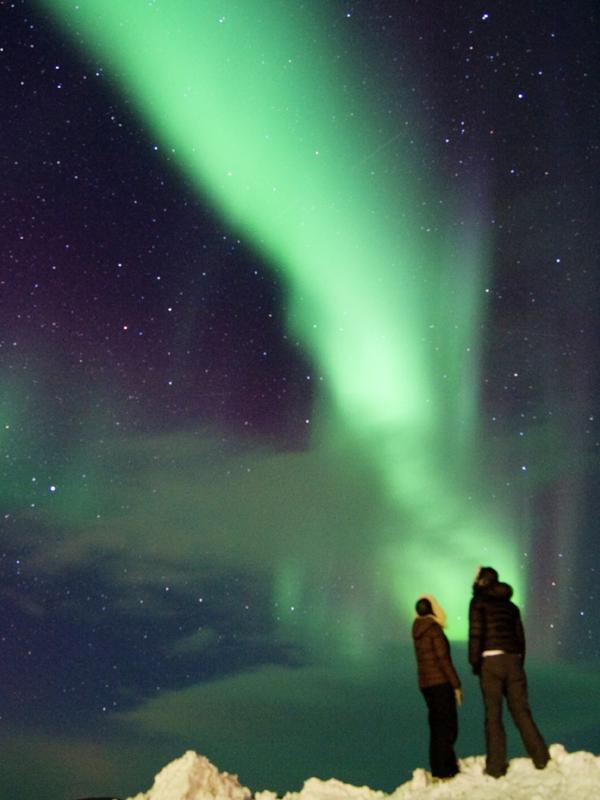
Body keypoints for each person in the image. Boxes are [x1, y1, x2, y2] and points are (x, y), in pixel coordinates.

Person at [469, 566, 550, 778]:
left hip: (490, 662)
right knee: (521, 711)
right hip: (513, 661)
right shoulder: (511, 607)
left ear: (483, 581)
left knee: (493, 715)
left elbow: (476, 633)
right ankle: (541, 758)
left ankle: (496, 767)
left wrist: (475, 662)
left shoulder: (478, 603)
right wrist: (517, 662)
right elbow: (520, 639)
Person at [412, 595, 462, 781]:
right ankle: (445, 770)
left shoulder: (417, 629)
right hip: (440, 683)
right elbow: (443, 660)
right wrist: (456, 685)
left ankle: (440, 767)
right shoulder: (433, 629)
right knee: (447, 727)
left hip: (426, 685)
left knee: (437, 726)